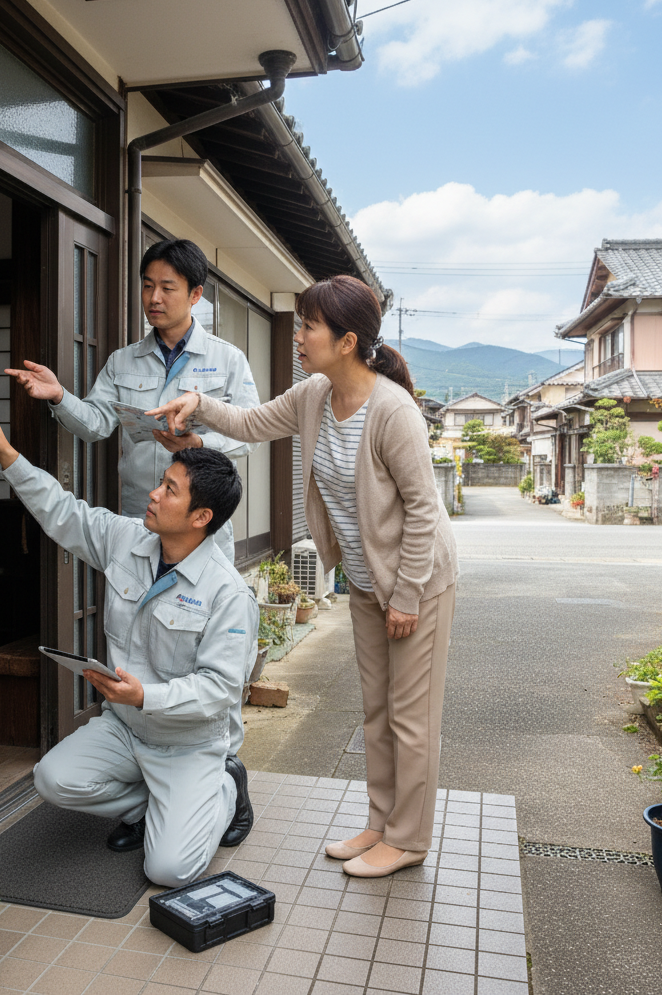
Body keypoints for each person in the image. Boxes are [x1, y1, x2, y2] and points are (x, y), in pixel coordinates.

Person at [149, 275, 459, 879]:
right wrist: (199, 406)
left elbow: (424, 510)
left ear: (346, 341)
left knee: (410, 716)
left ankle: (410, 838)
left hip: (416, 584)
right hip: (368, 582)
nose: (298, 336)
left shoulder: (393, 412)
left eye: (308, 326)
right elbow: (251, 422)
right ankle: (381, 822)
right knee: (376, 709)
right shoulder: (316, 393)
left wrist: (406, 595)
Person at [0, 401, 257, 888]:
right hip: (125, 728)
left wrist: (146, 695)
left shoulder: (228, 593)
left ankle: (226, 787)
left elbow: (220, 690)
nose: (152, 494)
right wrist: (5, 453)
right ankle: (149, 805)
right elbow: (64, 512)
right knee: (52, 779)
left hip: (189, 744)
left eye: (169, 489)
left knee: (169, 870)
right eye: (161, 481)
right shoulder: (128, 539)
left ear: (200, 516)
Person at [4, 238, 259, 564]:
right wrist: (59, 395)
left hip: (201, 521)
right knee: (136, 603)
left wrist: (198, 444)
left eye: (167, 288)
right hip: (142, 515)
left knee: (204, 605)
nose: (154, 298)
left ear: (195, 294)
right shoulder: (122, 362)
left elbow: (250, 432)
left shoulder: (229, 360)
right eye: (148, 286)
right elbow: (95, 424)